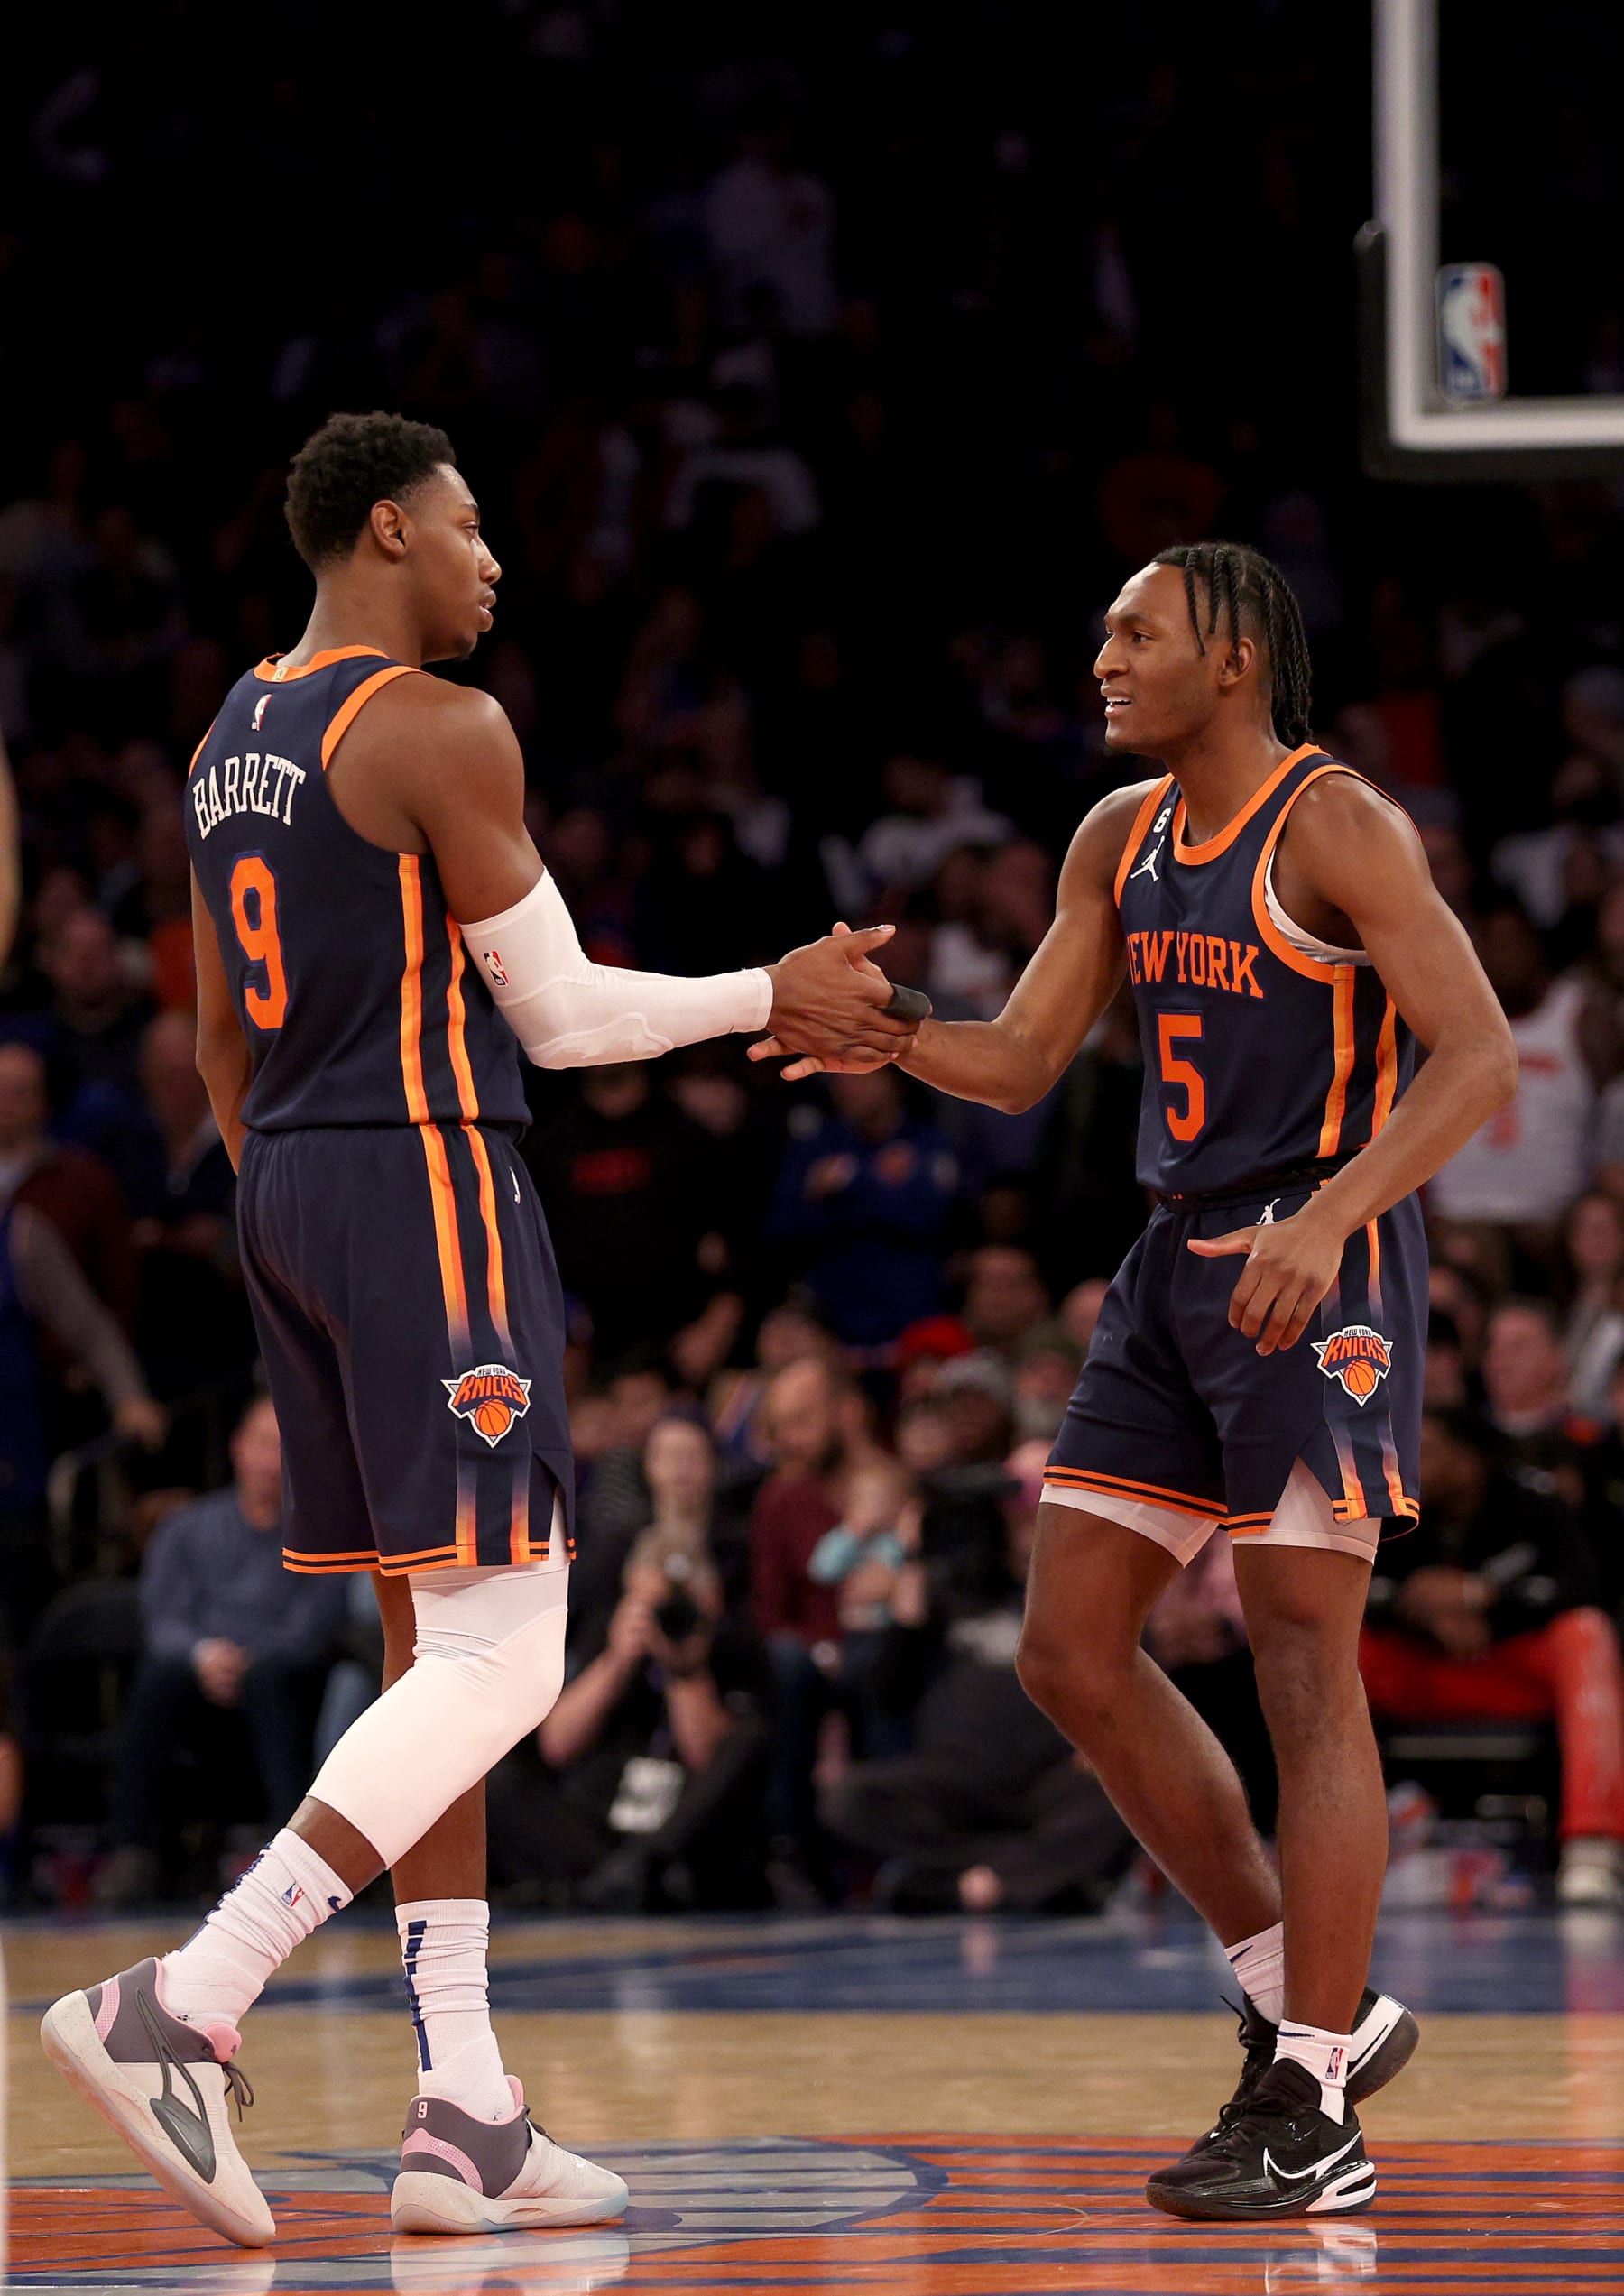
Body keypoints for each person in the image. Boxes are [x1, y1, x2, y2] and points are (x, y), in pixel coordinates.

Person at [42, 410, 919, 2249]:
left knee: (433, 1660)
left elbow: (215, 1036)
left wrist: (284, 1202)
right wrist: (784, 987)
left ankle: (467, 2113)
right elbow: (572, 1020)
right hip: (422, 1181)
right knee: (514, 1656)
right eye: (467, 528)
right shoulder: (438, 723)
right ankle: (186, 1999)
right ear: (384, 533)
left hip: (285, 1178)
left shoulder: (227, 739)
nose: (493, 559)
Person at [757, 541, 1518, 2218]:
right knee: (1067, 1648)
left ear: (1235, 656)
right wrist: (879, 1026)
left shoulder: (1335, 824)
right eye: (1102, 631)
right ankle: (1297, 1997)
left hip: (1319, 1265)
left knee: (1303, 1667)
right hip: (1175, 1263)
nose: (1101, 658)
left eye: (1134, 633)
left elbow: (1479, 1052)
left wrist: (1332, 1214)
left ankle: (1314, 2104)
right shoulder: (1118, 835)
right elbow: (1021, 1062)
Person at [1361, 1409, 1624, 1907]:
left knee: (1587, 1634)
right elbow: (1354, 1591)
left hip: (1508, 1673)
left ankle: (1593, 1843)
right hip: (1422, 1673)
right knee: (1336, 1648)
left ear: (1470, 1458)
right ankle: (1326, 1838)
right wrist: (1420, 1608)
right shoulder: (1388, 1506)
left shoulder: (1533, 1504)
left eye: (1429, 1452)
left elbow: (1583, 1589)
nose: (1413, 1465)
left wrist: (1483, 1598)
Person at [99, 1398, 347, 1907]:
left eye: (285, 1449)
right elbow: (163, 1616)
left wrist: (249, 1658)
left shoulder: (321, 1535)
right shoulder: (187, 1527)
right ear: (238, 1448)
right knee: (157, 1677)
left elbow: (317, 1624)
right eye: (262, 1444)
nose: (271, 1461)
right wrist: (204, 1654)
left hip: (282, 1681)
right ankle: (135, 1851)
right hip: (197, 1677)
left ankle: (292, 1862)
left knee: (274, 1677)